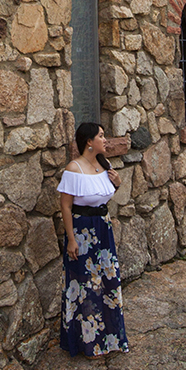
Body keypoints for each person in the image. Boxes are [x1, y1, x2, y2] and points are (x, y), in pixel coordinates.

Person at [57, 122, 129, 357]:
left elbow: (101, 197)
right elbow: (66, 207)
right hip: (82, 231)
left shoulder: (103, 165)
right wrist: (71, 239)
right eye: (101, 135)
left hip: (102, 229)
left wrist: (116, 184)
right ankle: (85, 342)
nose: (105, 139)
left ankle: (110, 339)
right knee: (83, 284)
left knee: (107, 280)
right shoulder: (73, 169)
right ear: (89, 141)